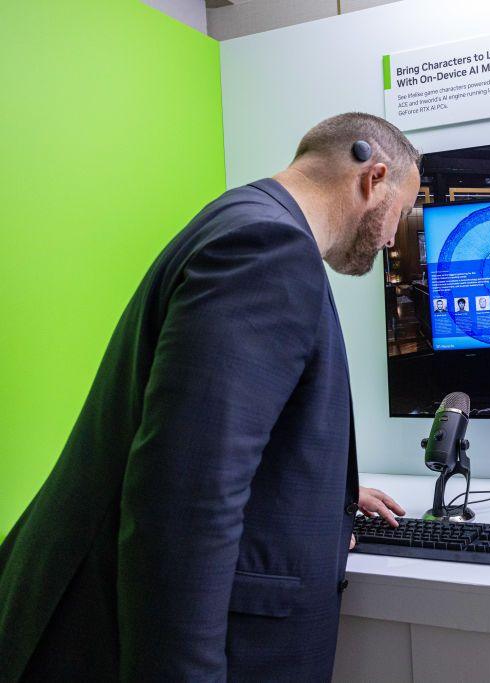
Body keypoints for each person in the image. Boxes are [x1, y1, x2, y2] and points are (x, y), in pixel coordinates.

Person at [0, 112, 421, 681]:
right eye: (400, 212)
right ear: (374, 179)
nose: (394, 237)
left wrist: (332, 495)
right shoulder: (269, 248)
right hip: (113, 636)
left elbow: (206, 432)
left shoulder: (243, 220)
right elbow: (185, 497)